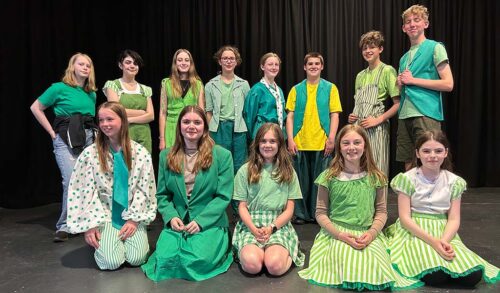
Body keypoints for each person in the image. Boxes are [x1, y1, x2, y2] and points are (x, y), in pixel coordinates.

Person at [298, 124, 422, 290]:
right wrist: (340, 235)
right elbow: (320, 213)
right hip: (337, 233)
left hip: (367, 233)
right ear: (339, 147)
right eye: (346, 143)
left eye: (357, 142)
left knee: (377, 268)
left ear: (365, 146)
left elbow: (381, 212)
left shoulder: (377, 177)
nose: (351, 147)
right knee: (347, 263)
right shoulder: (328, 177)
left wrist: (371, 234)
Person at [386, 129, 500, 287]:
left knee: (472, 276)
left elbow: (453, 218)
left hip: (443, 229)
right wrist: (433, 242)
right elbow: (405, 218)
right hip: (415, 230)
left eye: (438, 151)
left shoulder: (454, 181)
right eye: (426, 151)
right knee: (434, 275)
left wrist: (444, 241)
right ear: (417, 153)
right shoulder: (407, 179)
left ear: (445, 153)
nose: (432, 155)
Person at [142, 105, 234, 281]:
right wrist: (170, 216)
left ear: (204, 127)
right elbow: (162, 195)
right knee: (165, 259)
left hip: (209, 222)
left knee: (196, 260)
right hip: (178, 220)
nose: (191, 126)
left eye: (197, 122)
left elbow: (223, 196)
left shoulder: (222, 156)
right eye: (186, 122)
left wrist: (200, 221)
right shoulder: (166, 156)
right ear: (179, 126)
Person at [66, 101, 157, 270]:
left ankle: (121, 238)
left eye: (110, 119)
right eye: (101, 120)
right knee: (111, 262)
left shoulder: (140, 153)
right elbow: (83, 190)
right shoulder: (90, 154)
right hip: (104, 214)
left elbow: (145, 189)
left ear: (122, 120)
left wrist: (134, 219)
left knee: (137, 258)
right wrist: (90, 225)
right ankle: (108, 238)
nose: (105, 124)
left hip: (131, 213)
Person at [30, 52, 98, 242]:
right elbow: (36, 107)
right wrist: (52, 133)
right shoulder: (58, 88)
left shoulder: (91, 93)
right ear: (73, 67)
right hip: (65, 137)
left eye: (88, 65)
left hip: (88, 137)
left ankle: (85, 222)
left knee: (88, 181)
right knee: (70, 180)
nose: (85, 68)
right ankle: (65, 225)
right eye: (81, 64)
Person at [233, 123, 305, 276]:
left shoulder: (288, 171)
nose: (267, 145)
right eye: (263, 141)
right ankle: (256, 253)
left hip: (278, 224)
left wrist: (272, 227)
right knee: (252, 265)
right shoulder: (244, 170)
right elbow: (242, 207)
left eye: (272, 141)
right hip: (251, 224)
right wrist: (253, 229)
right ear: (257, 143)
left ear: (279, 144)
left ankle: (282, 253)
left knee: (274, 266)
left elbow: (289, 210)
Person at [285, 52, 342, 224]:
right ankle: (301, 214)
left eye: (317, 63)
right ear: (304, 67)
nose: (313, 66)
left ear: (322, 66)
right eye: (310, 63)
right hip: (300, 142)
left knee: (320, 181)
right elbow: (290, 116)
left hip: (322, 142)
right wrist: (290, 139)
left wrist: (331, 138)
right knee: (300, 181)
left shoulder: (331, 88)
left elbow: (335, 114)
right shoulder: (296, 89)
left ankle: (319, 213)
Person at [396, 4, 454, 171]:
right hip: (405, 113)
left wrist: (413, 80)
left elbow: (448, 84)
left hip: (425, 111)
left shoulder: (435, 47)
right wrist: (400, 84)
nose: (412, 24)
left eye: (417, 20)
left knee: (430, 157)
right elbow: (404, 87)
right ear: (403, 28)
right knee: (408, 159)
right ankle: (411, 197)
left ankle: (432, 196)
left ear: (425, 24)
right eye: (408, 21)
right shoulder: (404, 58)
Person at [348, 31, 400, 176]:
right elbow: (358, 103)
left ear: (380, 49)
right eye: (365, 48)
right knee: (358, 170)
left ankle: (380, 200)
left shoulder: (387, 71)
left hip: (377, 129)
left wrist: (377, 120)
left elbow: (398, 103)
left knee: (378, 170)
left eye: (372, 47)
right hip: (358, 129)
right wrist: (353, 116)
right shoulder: (360, 75)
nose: (368, 51)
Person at [205, 45, 250, 175]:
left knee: (239, 164)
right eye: (225, 58)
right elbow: (208, 112)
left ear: (236, 61)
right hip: (218, 129)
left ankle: (238, 194)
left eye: (232, 58)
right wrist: (209, 131)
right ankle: (222, 192)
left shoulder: (244, 84)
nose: (228, 61)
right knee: (220, 162)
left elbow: (247, 110)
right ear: (220, 61)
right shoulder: (210, 85)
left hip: (238, 129)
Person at [103, 49, 154, 153]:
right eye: (128, 62)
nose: (132, 66)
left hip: (143, 135)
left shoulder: (145, 89)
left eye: (135, 63)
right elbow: (115, 111)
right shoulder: (113, 85)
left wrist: (129, 119)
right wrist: (141, 113)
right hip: (122, 133)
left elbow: (151, 116)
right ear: (120, 65)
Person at [159, 49, 204, 150]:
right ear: (175, 63)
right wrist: (162, 139)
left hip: (191, 128)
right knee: (172, 161)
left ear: (190, 63)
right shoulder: (166, 83)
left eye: (186, 60)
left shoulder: (198, 84)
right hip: (171, 128)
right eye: (180, 60)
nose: (183, 63)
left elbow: (202, 112)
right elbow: (162, 113)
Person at [243, 53, 287, 141]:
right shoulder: (257, 89)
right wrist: (254, 138)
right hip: (262, 133)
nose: (274, 67)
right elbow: (249, 116)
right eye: (270, 64)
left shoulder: (279, 90)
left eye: (276, 64)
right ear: (262, 67)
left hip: (277, 133)